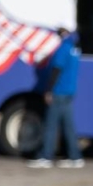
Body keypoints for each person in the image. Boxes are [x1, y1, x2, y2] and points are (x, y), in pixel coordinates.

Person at [28, 26, 83, 169]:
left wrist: (49, 90)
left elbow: (56, 69)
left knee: (50, 126)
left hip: (59, 92)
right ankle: (75, 157)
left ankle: (46, 156)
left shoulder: (63, 48)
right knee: (68, 127)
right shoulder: (74, 48)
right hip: (69, 92)